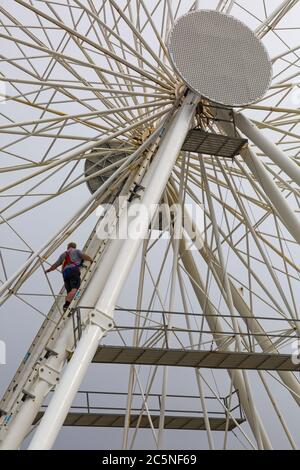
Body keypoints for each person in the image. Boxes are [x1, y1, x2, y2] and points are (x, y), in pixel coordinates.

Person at [46, 242, 92, 311]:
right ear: (74, 247)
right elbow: (83, 256)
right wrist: (91, 260)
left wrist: (48, 270)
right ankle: (66, 303)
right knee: (75, 288)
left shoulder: (63, 255)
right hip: (73, 270)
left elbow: (55, 265)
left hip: (65, 274)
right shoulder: (76, 251)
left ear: (68, 247)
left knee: (69, 290)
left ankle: (67, 305)